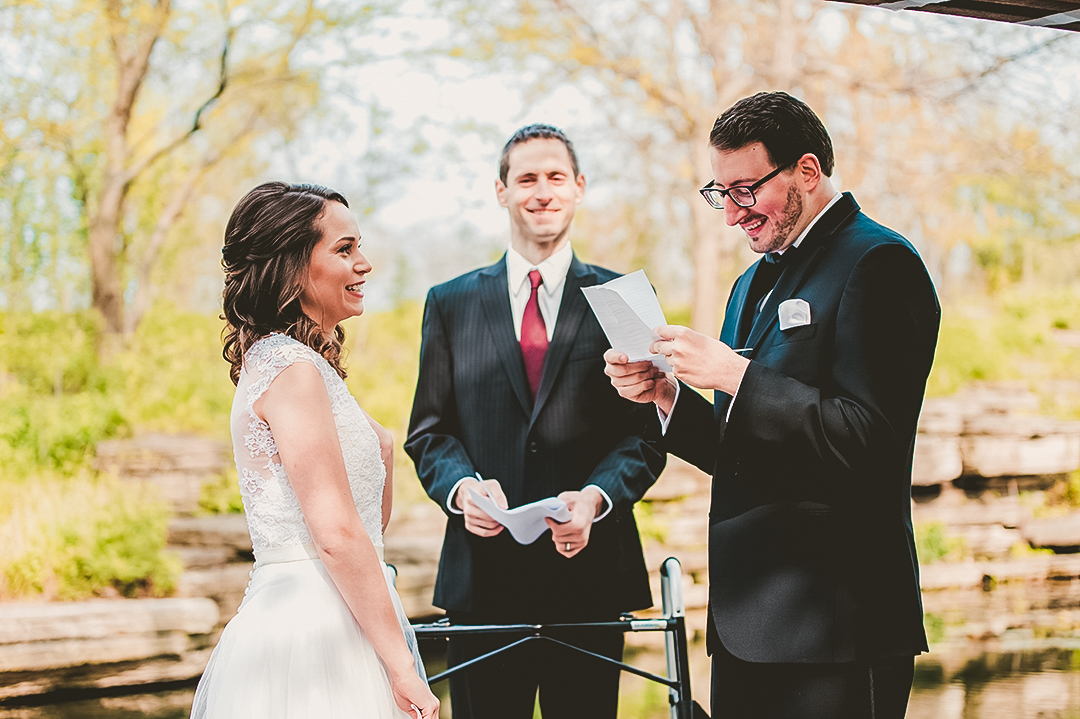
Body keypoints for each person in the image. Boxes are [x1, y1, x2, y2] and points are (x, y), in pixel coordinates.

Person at [605, 92, 941, 718]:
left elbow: (871, 439)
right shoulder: (750, 283)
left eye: (745, 190)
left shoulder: (881, 263)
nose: (732, 214)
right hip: (747, 631)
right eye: (720, 192)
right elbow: (743, 452)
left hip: (838, 626)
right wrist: (668, 397)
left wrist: (736, 374)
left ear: (807, 172)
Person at [405, 124, 666, 719]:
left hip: (591, 577)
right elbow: (429, 431)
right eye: (526, 178)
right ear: (501, 191)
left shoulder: (623, 298)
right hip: (483, 583)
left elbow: (647, 435)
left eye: (555, 178)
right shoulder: (449, 303)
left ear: (578, 188)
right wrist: (461, 490)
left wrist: (596, 498)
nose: (541, 192)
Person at [191, 182, 439, 719]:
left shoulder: (301, 365)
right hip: (310, 630)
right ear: (293, 267)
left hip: (345, 609)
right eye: (344, 249)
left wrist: (382, 445)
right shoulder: (293, 371)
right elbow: (337, 534)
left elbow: (369, 528)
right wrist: (402, 668)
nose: (365, 264)